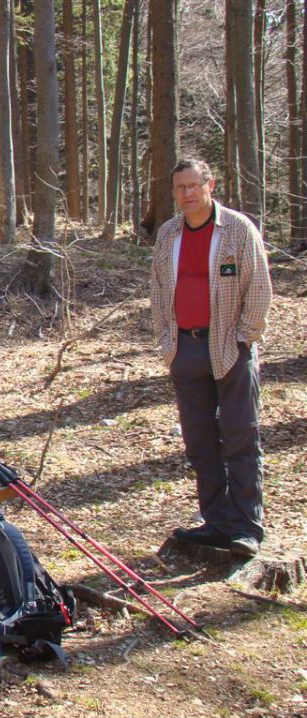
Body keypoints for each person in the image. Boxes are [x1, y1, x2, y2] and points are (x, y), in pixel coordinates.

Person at [149, 159, 272, 558]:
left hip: (229, 347)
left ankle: (245, 527)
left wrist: (243, 338)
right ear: (173, 192)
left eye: (193, 185)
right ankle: (215, 520)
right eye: (179, 187)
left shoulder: (237, 230)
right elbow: (158, 289)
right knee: (200, 441)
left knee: (239, 435)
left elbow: (259, 288)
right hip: (185, 348)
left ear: (209, 185)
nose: (187, 194)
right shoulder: (169, 233)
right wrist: (167, 341)